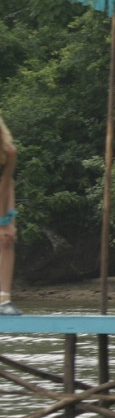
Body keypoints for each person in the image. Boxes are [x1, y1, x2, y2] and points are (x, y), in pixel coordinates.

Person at [0, 116, 19, 316]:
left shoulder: (8, 152)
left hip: (2, 198)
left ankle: (4, 299)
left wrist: (7, 221)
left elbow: (6, 184)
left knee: (7, 240)